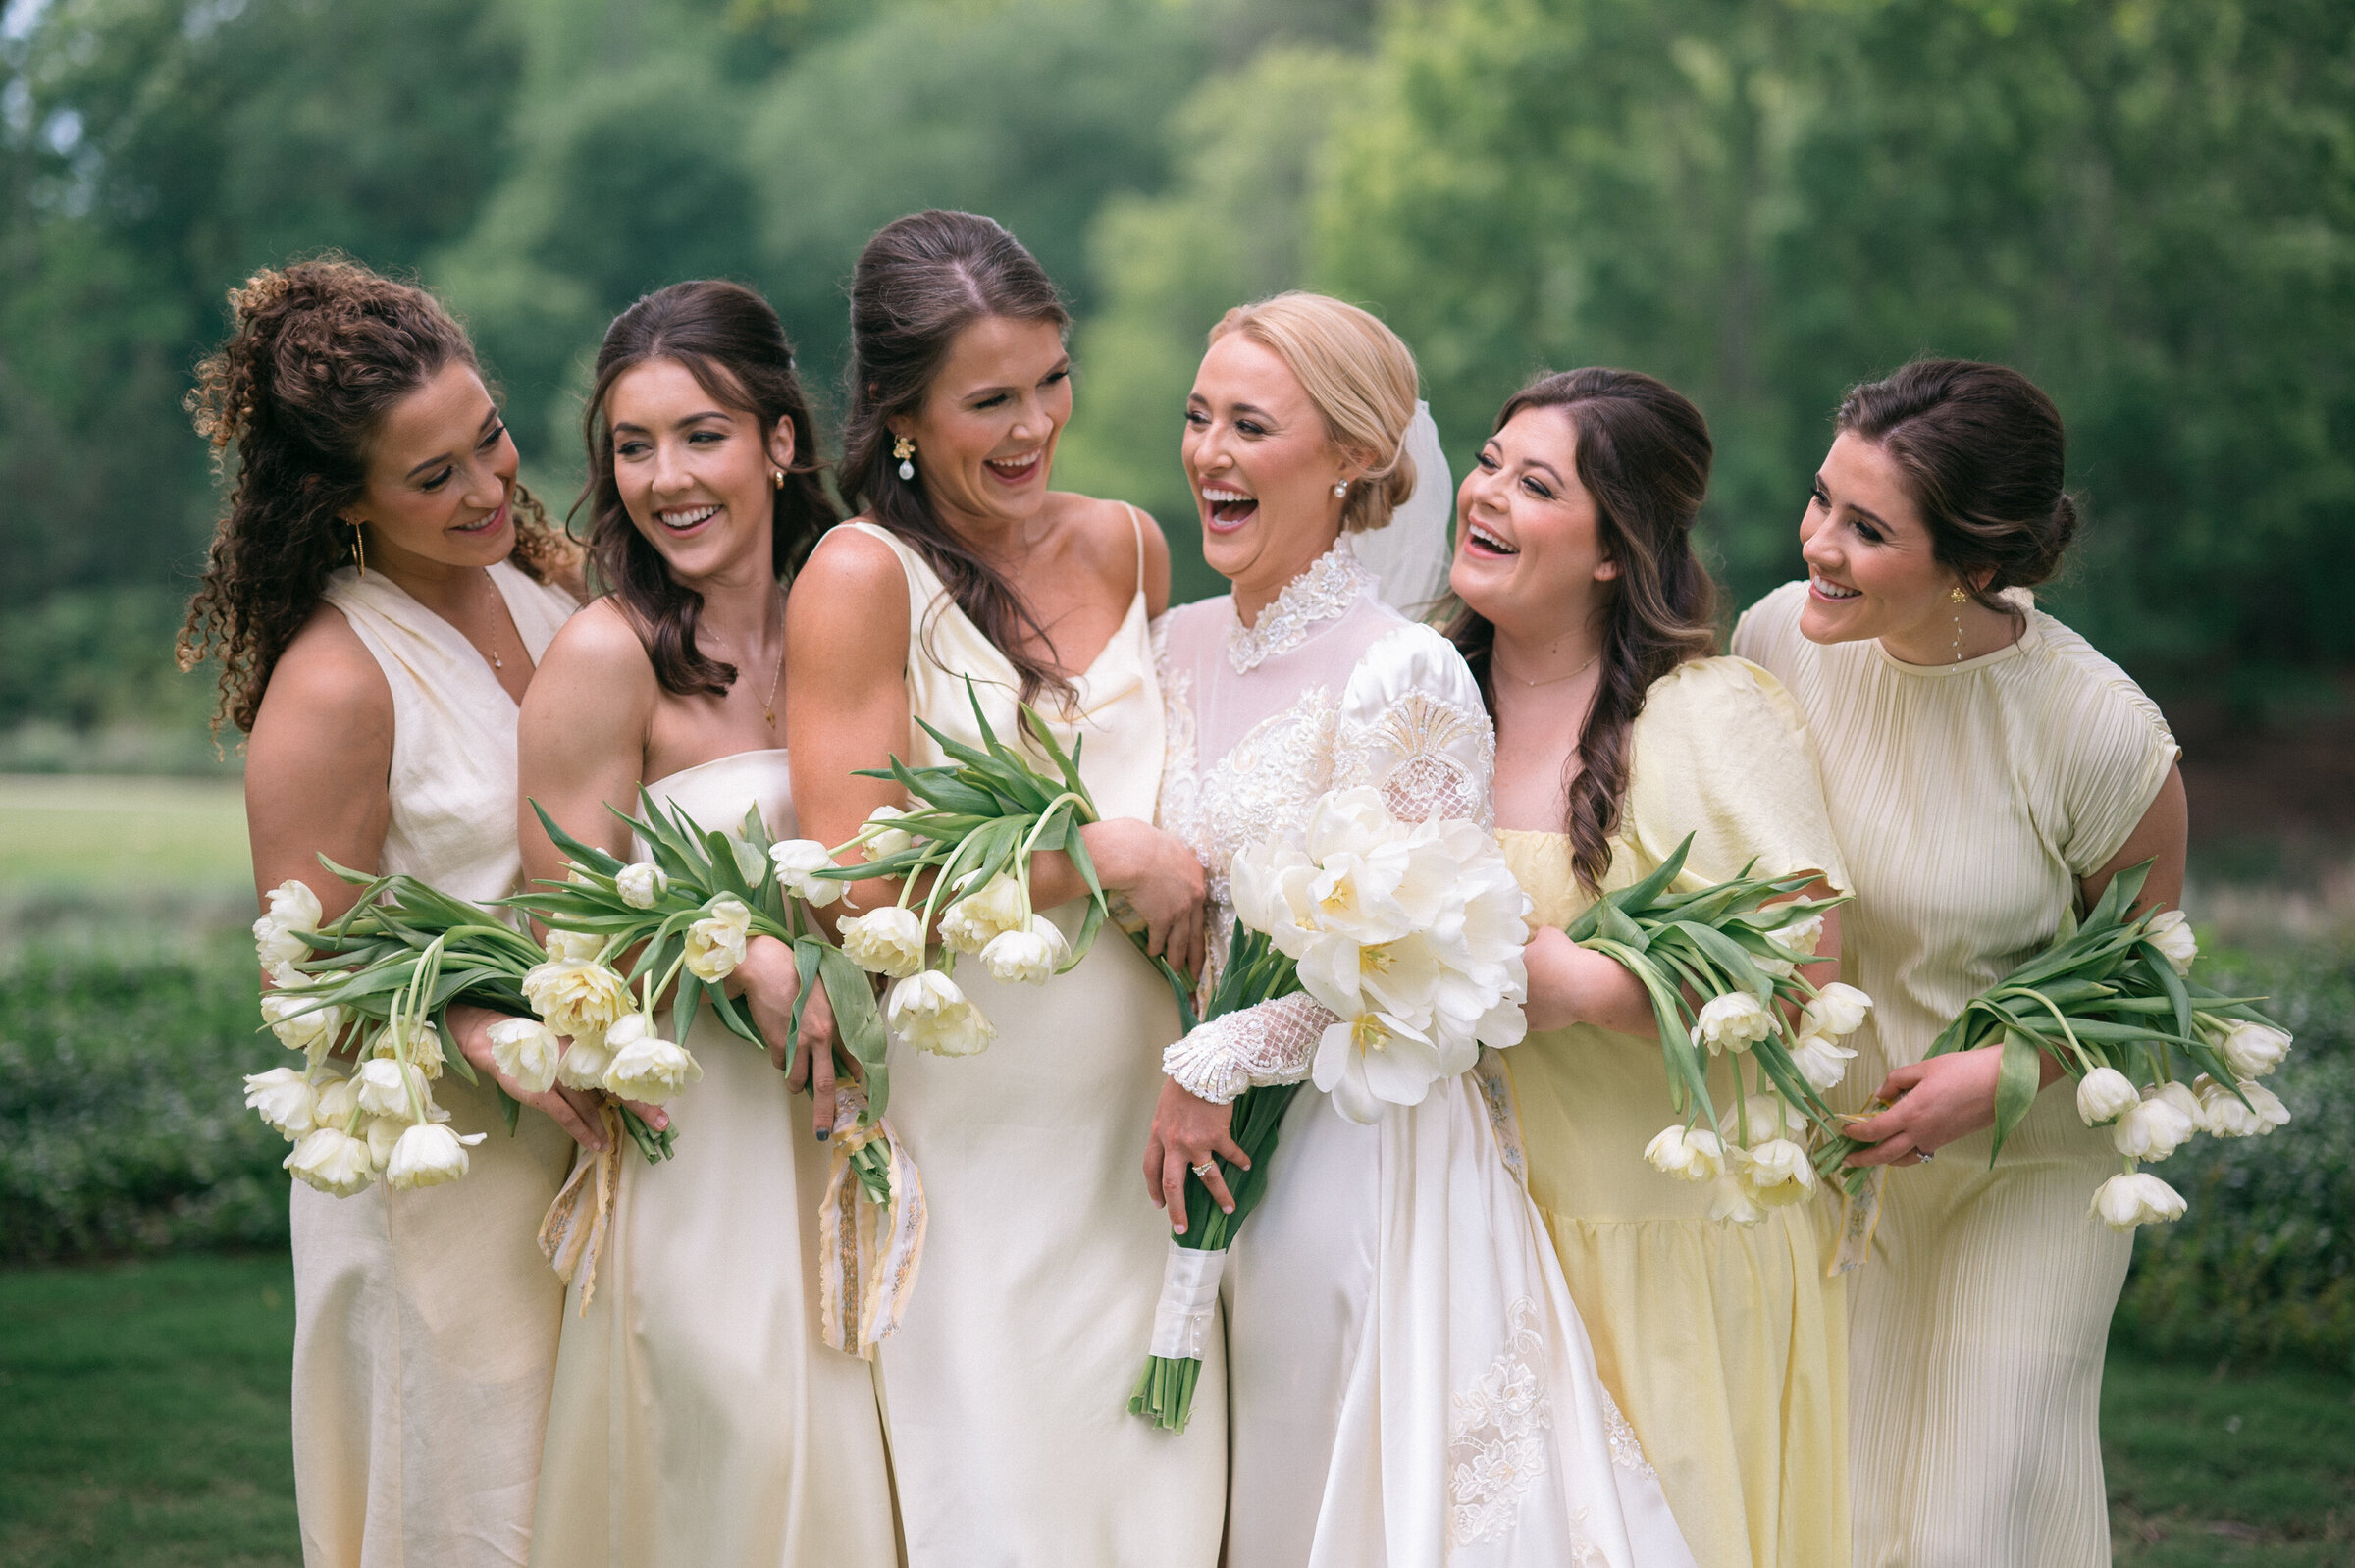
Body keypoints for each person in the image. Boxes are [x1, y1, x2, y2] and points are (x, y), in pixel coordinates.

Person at [1146, 298, 1694, 1567]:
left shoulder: (1404, 674)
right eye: (1197, 418)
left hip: (1355, 1155)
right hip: (1199, 1148)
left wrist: (1230, 1055)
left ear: (1349, 456)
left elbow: (1432, 976)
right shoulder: (1174, 649)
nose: (1210, 453)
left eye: (1249, 425)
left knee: (1322, 1481)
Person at [785, 209, 1220, 1567]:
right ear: (902, 411)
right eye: (990, 400)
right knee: (1010, 1493)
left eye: (1051, 379)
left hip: (1149, 1118)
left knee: (1161, 1492)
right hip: (984, 1122)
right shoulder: (862, 576)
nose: (1035, 424)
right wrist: (1092, 855)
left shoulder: (1132, 546)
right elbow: (852, 878)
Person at [1732, 359, 2185, 1568]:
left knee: (1968, 1521)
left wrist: (2001, 1077)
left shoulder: (2099, 730)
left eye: (1867, 527)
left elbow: (2152, 979)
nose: (1816, 540)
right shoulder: (1773, 638)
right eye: (1823, 498)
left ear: (1976, 565)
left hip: (2024, 1168)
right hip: (1843, 1162)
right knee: (1842, 1505)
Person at [178, 258, 594, 1567]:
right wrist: (480, 1030)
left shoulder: (547, 589)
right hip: (440, 1166)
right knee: (472, 1503)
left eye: (490, 439)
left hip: (591, 1129)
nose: (485, 488)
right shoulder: (337, 681)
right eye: (435, 477)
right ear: (341, 495)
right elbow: (304, 974)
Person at [1446, 367, 1855, 1568]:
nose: (1490, 494)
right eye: (1489, 461)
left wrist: (1587, 986)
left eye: (1537, 482)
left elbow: (1801, 969)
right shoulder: (1421, 699)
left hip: (1661, 1234)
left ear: (1615, 549)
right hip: (1461, 1224)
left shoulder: (1707, 717)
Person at [519, 280, 898, 1568]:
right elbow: (556, 932)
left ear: (780, 443)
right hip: (703, 1150)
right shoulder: (605, 654)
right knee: (727, 1461)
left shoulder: (850, 620)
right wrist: (734, 946)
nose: (666, 478)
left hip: (855, 1132)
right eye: (634, 446)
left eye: (702, 435)